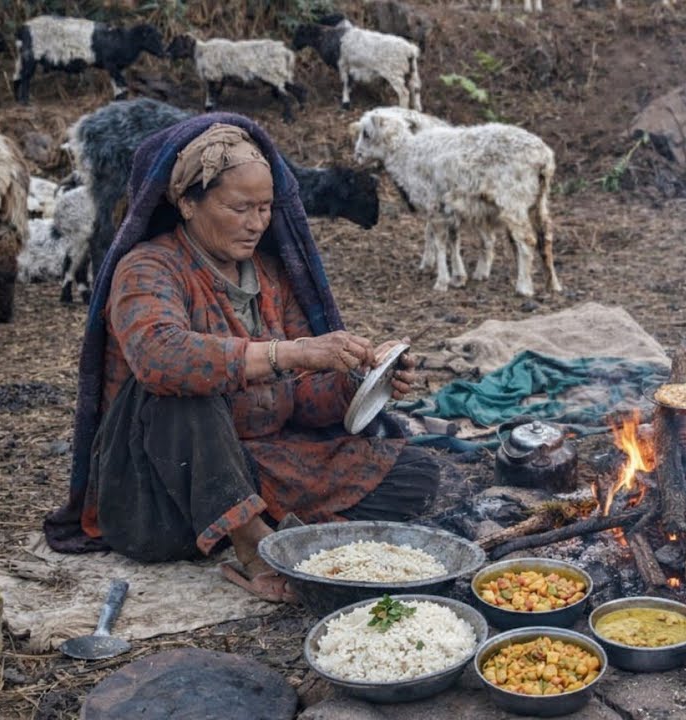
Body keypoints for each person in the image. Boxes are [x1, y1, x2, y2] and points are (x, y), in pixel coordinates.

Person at [44, 116, 441, 602]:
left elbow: (303, 401)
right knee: (183, 387)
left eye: (266, 208)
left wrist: (359, 381)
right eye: (239, 208)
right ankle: (256, 549)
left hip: (249, 467)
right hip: (159, 489)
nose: (257, 224)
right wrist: (289, 352)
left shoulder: (270, 277)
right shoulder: (148, 267)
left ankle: (258, 519)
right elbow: (158, 358)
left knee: (418, 476)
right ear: (187, 203)